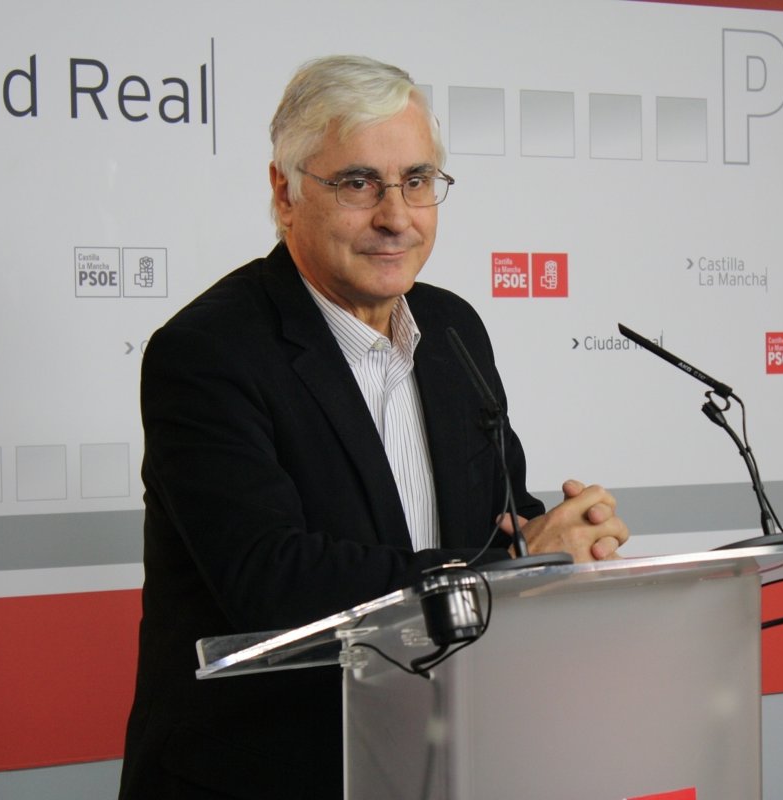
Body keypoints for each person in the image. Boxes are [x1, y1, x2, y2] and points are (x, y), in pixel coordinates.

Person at [118, 54, 629, 799]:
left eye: (417, 181)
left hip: (435, 760)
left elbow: (493, 520)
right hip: (266, 774)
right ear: (285, 193)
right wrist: (504, 571)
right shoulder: (208, 352)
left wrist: (553, 541)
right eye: (359, 183)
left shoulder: (452, 329)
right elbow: (271, 579)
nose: (396, 216)